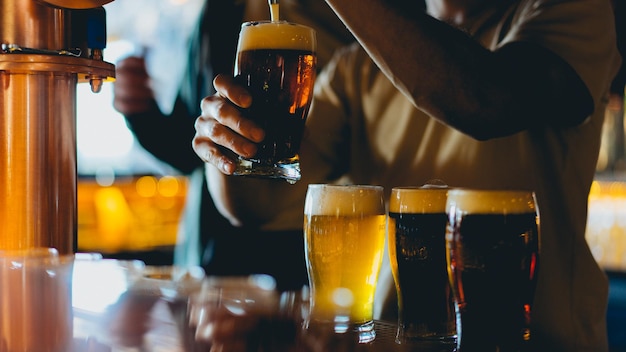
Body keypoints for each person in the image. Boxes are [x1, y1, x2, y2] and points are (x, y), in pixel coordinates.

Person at [192, 0, 621, 350]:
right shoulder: (357, 69)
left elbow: (487, 99)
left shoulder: (570, 11)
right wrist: (233, 147)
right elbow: (256, 204)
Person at [112, 0, 354, 291]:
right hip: (214, 247)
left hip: (301, 247)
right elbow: (191, 143)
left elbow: (353, 142)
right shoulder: (220, 10)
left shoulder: (350, 19)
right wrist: (142, 115)